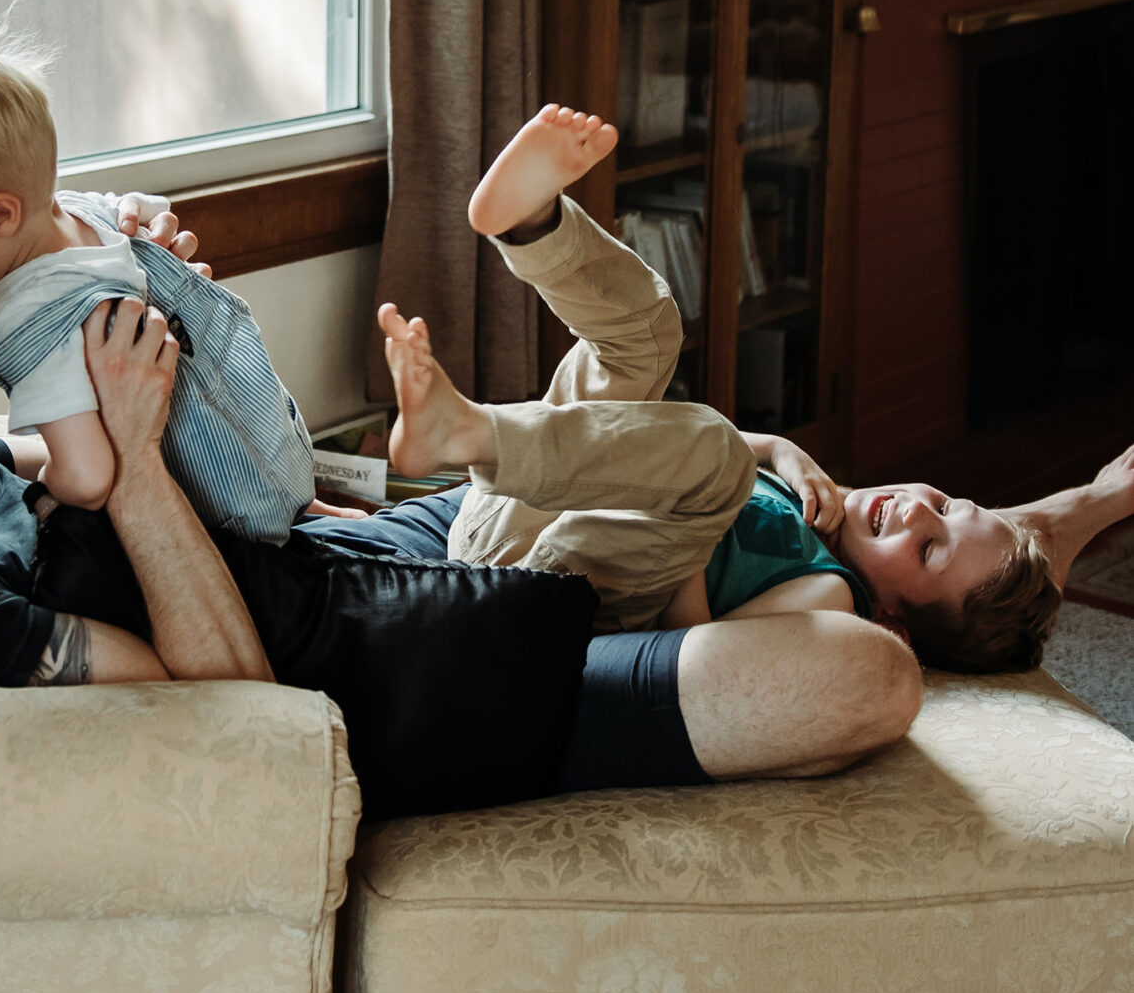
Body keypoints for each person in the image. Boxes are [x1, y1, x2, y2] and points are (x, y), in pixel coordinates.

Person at [0, 185, 926, 820]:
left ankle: (889, 516)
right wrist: (134, 463)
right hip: (392, 684)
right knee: (861, 676)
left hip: (332, 552)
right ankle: (787, 542)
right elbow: (219, 712)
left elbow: (58, 460)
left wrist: (146, 311)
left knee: (646, 411)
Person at [377, 102, 1131, 674]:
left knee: (707, 452)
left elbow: (699, 649)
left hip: (538, 584)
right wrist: (781, 448)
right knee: (649, 336)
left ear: (896, 622)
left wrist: (702, 516)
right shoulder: (819, 498)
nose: (911, 511)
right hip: (520, 504)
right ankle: (529, 225)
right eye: (941, 503)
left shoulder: (833, 594)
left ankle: (470, 432)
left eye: (926, 548)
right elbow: (673, 454)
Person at [0, 35, 315, 545]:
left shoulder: (30, 318)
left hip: (226, 525)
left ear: (0, 214)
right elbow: (145, 207)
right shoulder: (82, 211)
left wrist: (41, 496)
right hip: (279, 451)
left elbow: (88, 479)